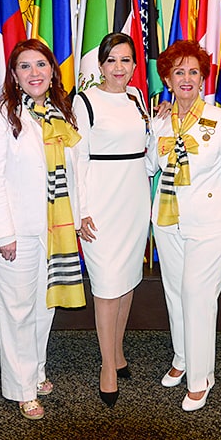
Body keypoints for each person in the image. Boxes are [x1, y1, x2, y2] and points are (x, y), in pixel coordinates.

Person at [0, 39, 84, 421]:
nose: (34, 72)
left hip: (56, 228)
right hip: (18, 231)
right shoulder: (0, 116)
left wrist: (80, 216)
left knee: (45, 306)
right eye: (25, 66)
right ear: (14, 74)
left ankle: (36, 371)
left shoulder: (62, 112)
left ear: (52, 71)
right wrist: (3, 233)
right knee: (18, 311)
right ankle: (21, 388)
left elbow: (76, 170)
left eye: (41, 64)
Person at [147, 40, 221, 412]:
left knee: (197, 296)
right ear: (167, 80)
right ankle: (182, 357)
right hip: (168, 222)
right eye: (179, 72)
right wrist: (151, 128)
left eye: (194, 71)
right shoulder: (160, 121)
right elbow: (149, 166)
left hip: (210, 225)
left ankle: (201, 378)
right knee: (175, 294)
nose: (186, 78)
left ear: (203, 77)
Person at [72, 32, 149, 408]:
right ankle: (106, 366)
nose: (119, 67)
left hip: (135, 200)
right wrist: (80, 211)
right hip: (101, 204)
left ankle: (117, 352)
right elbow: (77, 160)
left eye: (126, 60)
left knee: (127, 279)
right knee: (105, 284)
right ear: (100, 65)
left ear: (134, 65)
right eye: (112, 60)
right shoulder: (84, 101)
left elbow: (147, 148)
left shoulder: (137, 98)